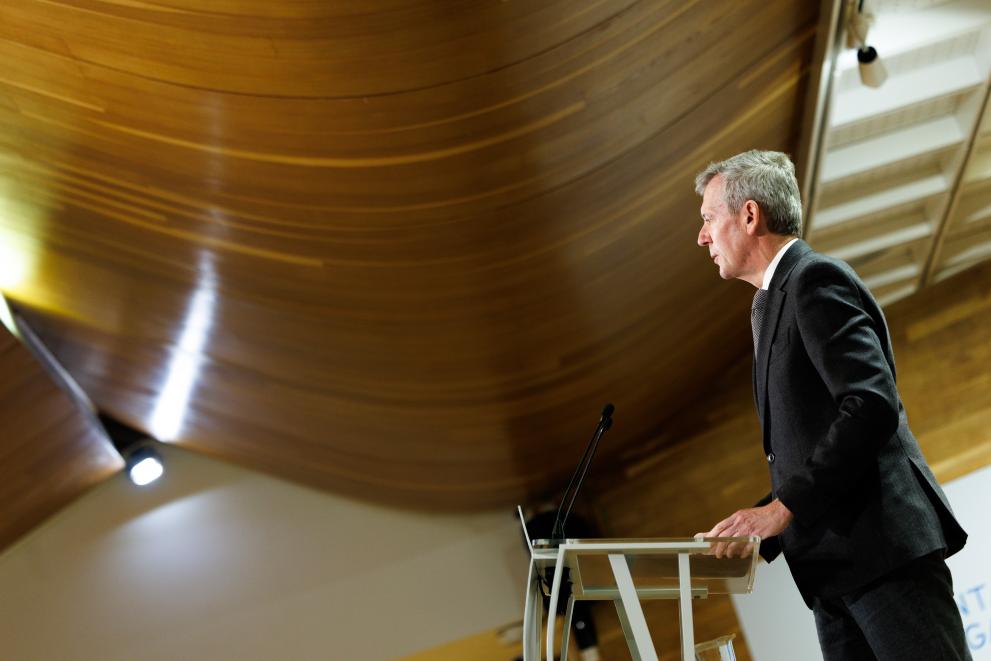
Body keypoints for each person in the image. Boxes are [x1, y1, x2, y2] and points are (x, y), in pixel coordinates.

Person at [693, 149, 970, 660]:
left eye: (709, 218)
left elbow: (870, 404)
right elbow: (810, 444)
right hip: (833, 576)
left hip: (882, 555)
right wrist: (755, 531)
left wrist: (782, 508)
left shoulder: (813, 280)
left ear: (750, 215)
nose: (702, 237)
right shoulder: (773, 302)